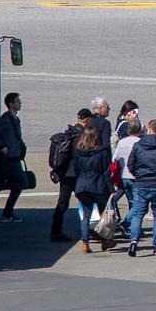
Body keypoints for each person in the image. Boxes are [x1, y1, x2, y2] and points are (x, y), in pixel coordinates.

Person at [126, 118, 156, 256]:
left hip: (141, 183)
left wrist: (138, 175)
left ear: (148, 129)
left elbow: (131, 164)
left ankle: (133, 241)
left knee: (138, 214)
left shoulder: (138, 146)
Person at [48, 108, 89, 243]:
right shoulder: (80, 135)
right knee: (86, 201)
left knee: (63, 202)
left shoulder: (70, 132)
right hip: (74, 174)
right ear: (86, 119)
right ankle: (89, 230)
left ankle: (56, 230)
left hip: (65, 174)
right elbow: (79, 156)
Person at [71, 124, 113, 254]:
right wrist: (111, 189)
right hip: (98, 186)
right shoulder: (101, 153)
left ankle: (85, 243)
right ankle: (105, 240)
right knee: (104, 216)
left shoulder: (78, 152)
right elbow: (106, 172)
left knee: (86, 216)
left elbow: (77, 170)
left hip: (82, 186)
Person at [0, 92, 27, 220]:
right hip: (10, 159)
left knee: (20, 183)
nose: (20, 103)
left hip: (15, 157)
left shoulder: (15, 119)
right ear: (11, 104)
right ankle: (7, 212)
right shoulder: (6, 120)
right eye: (17, 101)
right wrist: (2, 146)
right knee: (23, 182)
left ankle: (7, 212)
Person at [111, 116, 142, 230]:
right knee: (137, 204)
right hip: (136, 177)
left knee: (132, 202)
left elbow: (115, 158)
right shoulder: (140, 142)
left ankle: (134, 227)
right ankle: (126, 224)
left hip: (124, 176)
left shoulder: (122, 142)